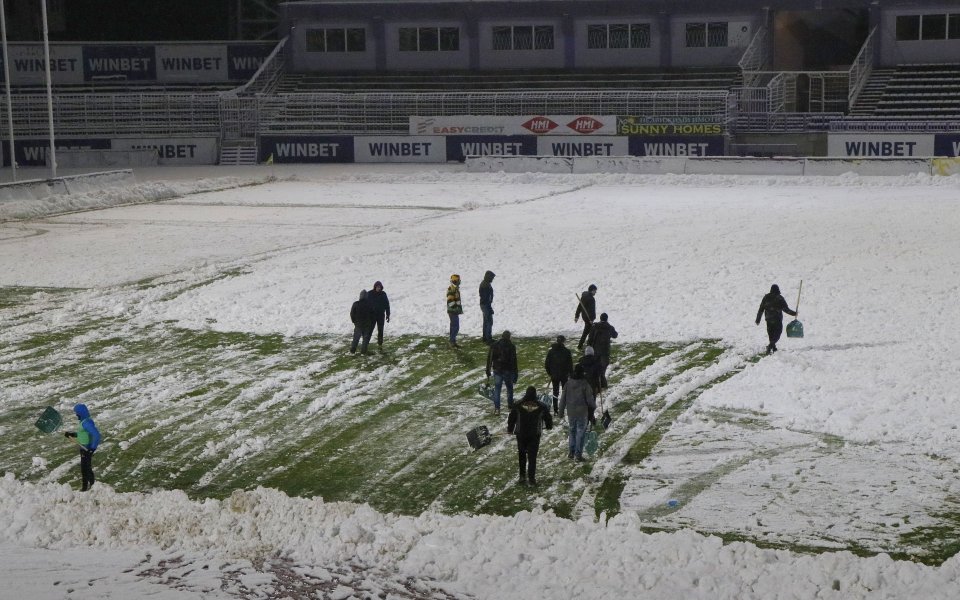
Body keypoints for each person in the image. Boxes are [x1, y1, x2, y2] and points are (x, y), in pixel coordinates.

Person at [508, 386, 553, 486]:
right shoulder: (542, 406)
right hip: (534, 435)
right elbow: (548, 418)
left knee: (522, 455)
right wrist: (549, 426)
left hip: (521, 434)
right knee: (532, 457)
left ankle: (522, 476)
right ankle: (531, 479)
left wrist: (510, 429)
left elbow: (511, 418)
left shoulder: (518, 405)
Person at [558, 364, 595, 461]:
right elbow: (590, 400)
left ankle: (571, 452)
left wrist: (560, 412)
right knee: (580, 433)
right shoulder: (585, 384)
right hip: (582, 412)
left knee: (572, 431)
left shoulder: (568, 383)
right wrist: (593, 408)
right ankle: (578, 455)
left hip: (571, 412)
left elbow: (563, 399)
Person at [63, 403, 101, 491]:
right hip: (84, 447)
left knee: (85, 468)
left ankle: (85, 488)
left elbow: (96, 435)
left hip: (86, 449)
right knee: (86, 467)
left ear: (81, 413)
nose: (76, 415)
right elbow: (83, 434)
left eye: (77, 413)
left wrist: (92, 449)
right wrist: (73, 434)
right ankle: (91, 485)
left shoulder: (86, 423)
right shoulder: (84, 421)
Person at [756, 284, 798, 354]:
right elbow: (785, 309)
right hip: (777, 319)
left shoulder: (766, 297)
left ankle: (773, 347)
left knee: (771, 334)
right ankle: (770, 346)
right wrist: (794, 313)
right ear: (778, 290)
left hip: (768, 319)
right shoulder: (780, 298)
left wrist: (758, 319)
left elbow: (761, 309)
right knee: (778, 333)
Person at [486, 330, 518, 414]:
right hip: (508, 370)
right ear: (509, 337)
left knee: (497, 389)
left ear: (502, 336)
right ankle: (510, 406)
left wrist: (488, 370)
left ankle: (497, 409)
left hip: (497, 370)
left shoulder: (494, 345)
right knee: (509, 389)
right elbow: (514, 361)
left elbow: (490, 358)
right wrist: (515, 374)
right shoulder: (511, 346)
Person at [587, 312, 618, 389]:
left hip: (595, 350)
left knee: (596, 367)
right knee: (603, 369)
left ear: (600, 318)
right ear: (607, 319)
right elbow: (615, 335)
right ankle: (603, 384)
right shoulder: (609, 327)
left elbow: (590, 338)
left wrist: (589, 346)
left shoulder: (595, 326)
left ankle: (596, 385)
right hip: (605, 351)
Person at [543, 335, 573, 414]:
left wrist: (550, 373)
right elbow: (570, 365)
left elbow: (546, 364)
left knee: (555, 392)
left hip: (554, 375)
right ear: (563, 341)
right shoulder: (567, 352)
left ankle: (555, 409)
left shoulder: (551, 352)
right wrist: (571, 374)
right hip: (564, 375)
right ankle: (563, 408)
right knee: (565, 392)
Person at [350, 289, 376, 354]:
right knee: (365, 339)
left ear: (360, 296)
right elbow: (373, 315)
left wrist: (354, 321)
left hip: (358, 325)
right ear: (366, 296)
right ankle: (363, 351)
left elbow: (352, 314)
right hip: (367, 325)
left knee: (356, 338)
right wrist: (371, 323)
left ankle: (352, 350)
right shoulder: (370, 304)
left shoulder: (356, 304)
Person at [368, 280, 391, 351]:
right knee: (370, 330)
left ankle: (380, 344)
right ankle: (366, 343)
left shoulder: (383, 294)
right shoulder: (370, 293)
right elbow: (365, 304)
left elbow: (387, 305)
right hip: (372, 315)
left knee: (380, 330)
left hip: (381, 315)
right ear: (375, 287)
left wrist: (388, 315)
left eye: (379, 287)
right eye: (377, 287)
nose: (378, 288)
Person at [574, 284, 598, 349]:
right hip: (588, 318)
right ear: (592, 290)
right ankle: (583, 346)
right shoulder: (591, 299)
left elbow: (580, 306)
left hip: (584, 316)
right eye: (595, 291)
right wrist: (591, 319)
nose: (595, 292)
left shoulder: (584, 296)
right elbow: (592, 310)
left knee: (589, 332)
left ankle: (586, 346)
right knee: (587, 333)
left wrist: (577, 316)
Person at [446, 274, 463, 348]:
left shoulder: (455, 288)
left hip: (453, 311)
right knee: (456, 327)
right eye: (458, 280)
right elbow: (450, 301)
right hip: (453, 311)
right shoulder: (451, 289)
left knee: (453, 326)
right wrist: (456, 306)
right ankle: (452, 342)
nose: (460, 281)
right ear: (455, 281)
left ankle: (452, 341)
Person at [479, 270, 496, 344]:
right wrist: (489, 307)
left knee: (486, 321)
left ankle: (485, 337)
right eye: (492, 277)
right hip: (486, 305)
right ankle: (488, 338)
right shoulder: (485, 285)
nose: (492, 279)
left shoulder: (486, 283)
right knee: (489, 321)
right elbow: (486, 298)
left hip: (485, 305)